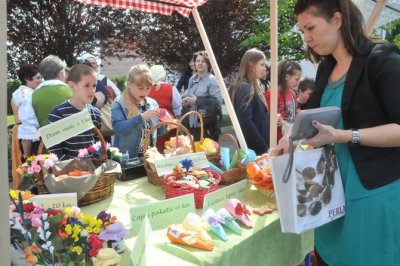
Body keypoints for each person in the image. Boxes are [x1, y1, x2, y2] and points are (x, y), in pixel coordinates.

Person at [274, 1, 400, 265]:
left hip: (372, 194)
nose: (306, 38)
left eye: (311, 27)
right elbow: (313, 118)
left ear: (338, 20)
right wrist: (291, 137)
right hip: (329, 193)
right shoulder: (325, 69)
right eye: (301, 31)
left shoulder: (381, 60)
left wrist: (345, 136)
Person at [48, 64, 101, 160]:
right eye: (86, 85)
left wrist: (95, 161)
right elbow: (54, 151)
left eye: (94, 86)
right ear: (72, 85)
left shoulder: (95, 113)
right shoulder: (58, 113)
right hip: (68, 171)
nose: (92, 90)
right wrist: (75, 166)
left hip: (93, 168)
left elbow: (98, 143)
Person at [111, 64, 160, 159]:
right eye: (141, 88)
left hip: (148, 158)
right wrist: (141, 117)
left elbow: (158, 131)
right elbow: (118, 128)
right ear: (129, 84)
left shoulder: (152, 103)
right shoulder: (119, 103)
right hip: (126, 159)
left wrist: (168, 124)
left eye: (148, 88)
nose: (145, 92)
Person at [230, 48, 270, 155]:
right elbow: (246, 122)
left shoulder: (252, 86)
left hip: (259, 147)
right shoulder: (244, 88)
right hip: (254, 150)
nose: (265, 68)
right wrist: (263, 148)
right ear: (250, 65)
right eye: (261, 64)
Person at [182, 50, 223, 141]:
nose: (200, 63)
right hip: (191, 124)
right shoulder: (192, 79)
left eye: (203, 61)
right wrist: (187, 102)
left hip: (206, 126)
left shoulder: (212, 80)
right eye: (197, 61)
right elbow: (191, 98)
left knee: (208, 154)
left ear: (208, 64)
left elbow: (218, 103)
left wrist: (197, 101)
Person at [265, 60, 302, 140]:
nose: (298, 83)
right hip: (276, 139)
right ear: (287, 77)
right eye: (296, 79)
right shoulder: (272, 94)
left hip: (291, 136)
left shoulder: (292, 93)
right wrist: (277, 119)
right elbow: (269, 116)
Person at [149, 65, 182, 152]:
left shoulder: (146, 89)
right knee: (171, 151)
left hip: (152, 127)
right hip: (169, 126)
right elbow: (178, 110)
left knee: (154, 152)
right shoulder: (171, 88)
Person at [32, 55, 72, 127]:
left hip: (47, 137)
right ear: (60, 74)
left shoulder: (32, 95)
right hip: (77, 136)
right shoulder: (73, 90)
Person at [11, 64, 42, 157]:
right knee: (30, 164)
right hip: (27, 138)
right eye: (38, 78)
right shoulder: (27, 95)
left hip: (22, 133)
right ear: (27, 79)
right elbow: (28, 122)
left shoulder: (19, 92)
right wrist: (28, 157)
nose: (41, 80)